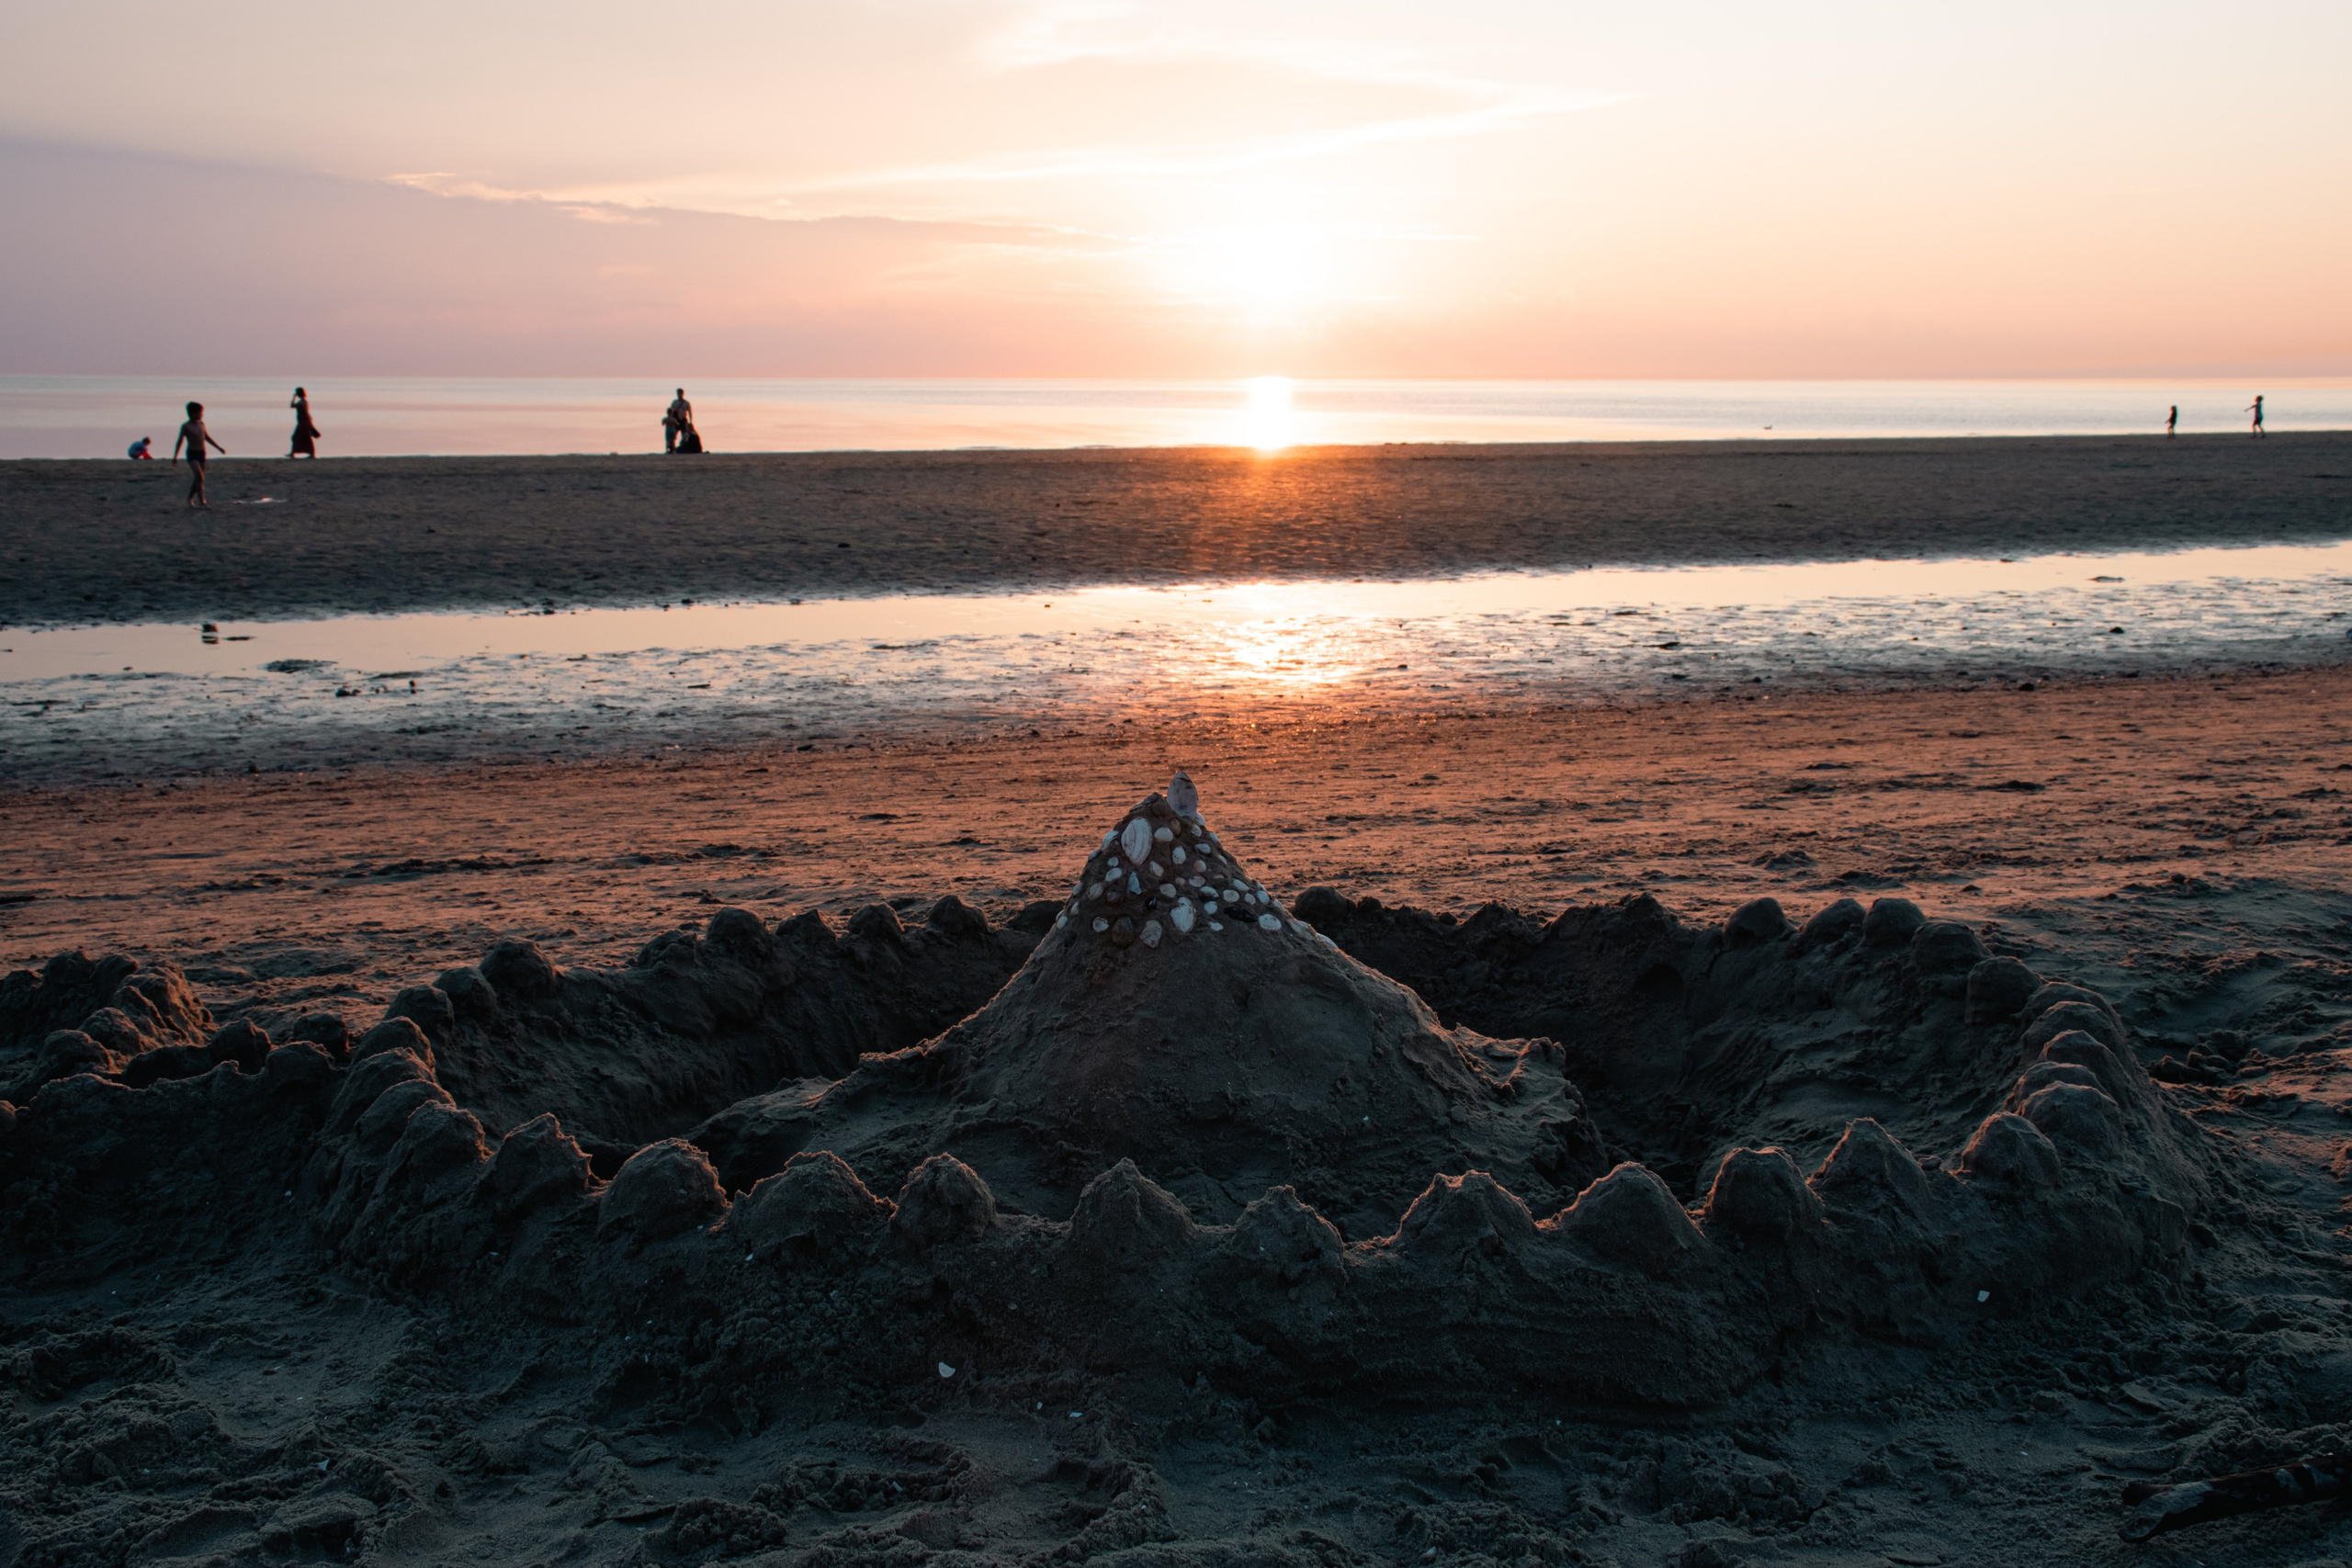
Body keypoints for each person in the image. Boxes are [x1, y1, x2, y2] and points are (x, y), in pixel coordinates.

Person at [172, 400, 225, 508]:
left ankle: (190, 497)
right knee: (199, 475)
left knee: (199, 478)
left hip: (202, 453)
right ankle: (202, 502)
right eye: (200, 413)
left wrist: (219, 448)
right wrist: (175, 456)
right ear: (193, 413)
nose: (202, 415)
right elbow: (180, 441)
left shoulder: (201, 424)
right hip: (192, 453)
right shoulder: (186, 426)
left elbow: (206, 437)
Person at [288, 387, 321, 457]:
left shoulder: (304, 402)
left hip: (304, 422)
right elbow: (292, 406)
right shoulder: (300, 402)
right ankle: (293, 453)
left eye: (297, 393)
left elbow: (306, 412)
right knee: (302, 437)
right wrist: (294, 398)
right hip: (301, 422)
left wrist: (310, 423)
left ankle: (294, 453)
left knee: (297, 437)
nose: (296, 394)